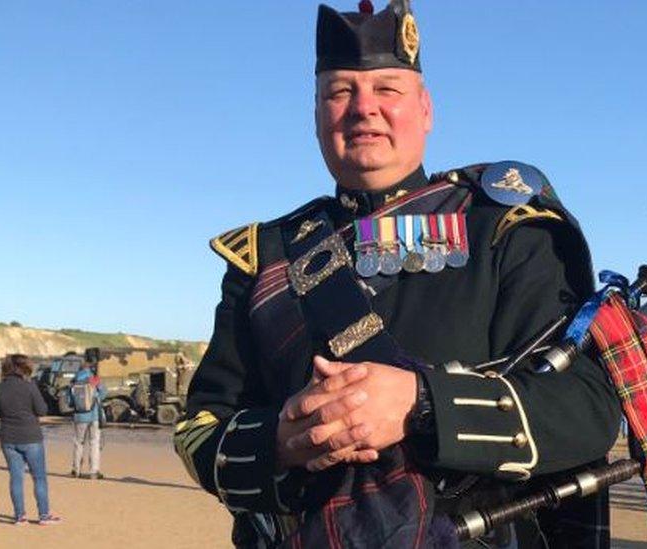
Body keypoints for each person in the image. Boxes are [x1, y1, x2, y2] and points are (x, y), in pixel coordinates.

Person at [174, 2, 620, 548]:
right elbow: (200, 429)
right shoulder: (267, 254)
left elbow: (588, 408)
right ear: (316, 114)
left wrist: (423, 403)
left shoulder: (504, 229)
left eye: (388, 89)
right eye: (339, 92)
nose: (364, 109)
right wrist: (282, 442)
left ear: (426, 109)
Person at [0, 354, 61, 525]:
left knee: (16, 477)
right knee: (39, 477)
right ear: (23, 368)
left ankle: (20, 516)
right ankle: (44, 515)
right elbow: (42, 410)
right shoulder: (29, 386)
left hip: (8, 437)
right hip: (30, 436)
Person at [70, 361, 107, 480]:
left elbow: (69, 402)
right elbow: (104, 393)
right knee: (94, 443)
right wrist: (96, 400)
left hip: (79, 417)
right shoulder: (94, 379)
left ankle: (76, 470)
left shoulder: (74, 381)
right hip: (94, 416)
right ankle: (93, 471)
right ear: (90, 369)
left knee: (78, 442)